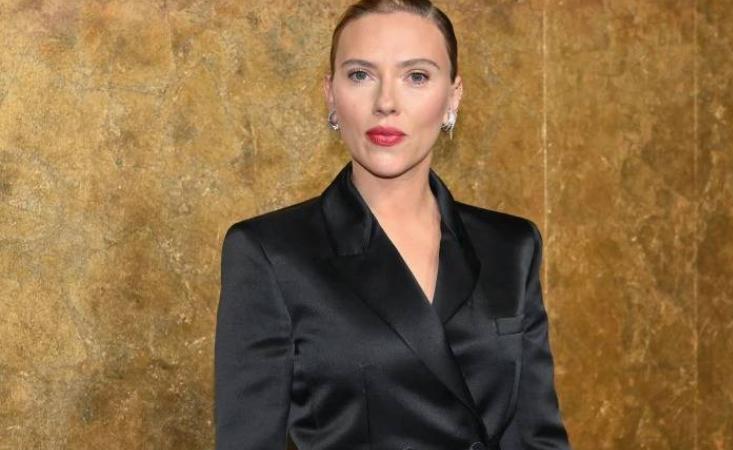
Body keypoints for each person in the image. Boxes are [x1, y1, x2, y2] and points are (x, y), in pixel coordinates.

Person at [214, 1, 571, 449]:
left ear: (453, 97)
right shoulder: (270, 254)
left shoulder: (511, 246)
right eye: (360, 75)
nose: (385, 103)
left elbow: (537, 437)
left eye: (416, 76)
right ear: (330, 94)